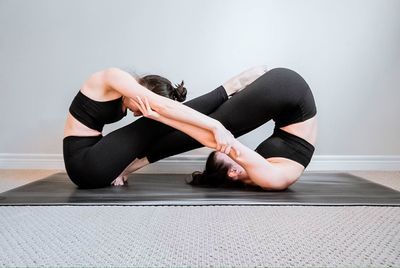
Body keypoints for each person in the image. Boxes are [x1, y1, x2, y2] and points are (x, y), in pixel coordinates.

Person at [115, 67, 317, 190]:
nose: (223, 150)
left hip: (287, 96)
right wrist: (165, 117)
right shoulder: (268, 178)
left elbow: (207, 137)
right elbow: (211, 137)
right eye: (224, 154)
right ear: (233, 172)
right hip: (289, 92)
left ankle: (230, 86)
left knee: (208, 129)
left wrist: (164, 116)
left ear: (232, 173)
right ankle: (233, 84)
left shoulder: (257, 175)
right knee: (210, 129)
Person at [63, 68, 241, 189]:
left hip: (96, 159)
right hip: (82, 163)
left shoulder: (125, 93)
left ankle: (223, 97)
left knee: (163, 126)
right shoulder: (112, 77)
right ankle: (225, 90)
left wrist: (115, 164)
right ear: (141, 91)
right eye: (141, 108)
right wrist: (214, 125)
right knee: (156, 121)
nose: (137, 113)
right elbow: (165, 109)